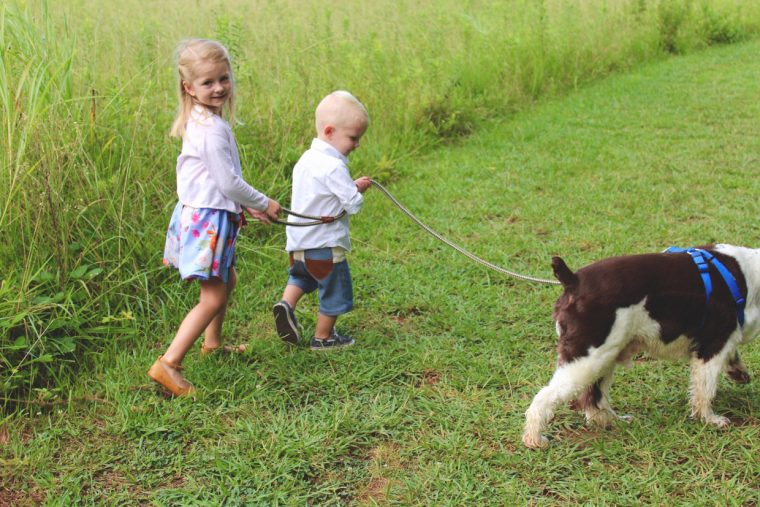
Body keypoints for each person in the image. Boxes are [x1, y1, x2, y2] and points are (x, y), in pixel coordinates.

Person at [148, 39, 281, 396]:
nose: (219, 87)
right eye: (208, 82)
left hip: (209, 213)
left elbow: (217, 180)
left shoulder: (205, 120)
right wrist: (262, 201)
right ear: (188, 87)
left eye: (223, 78)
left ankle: (213, 344)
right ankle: (169, 364)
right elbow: (227, 181)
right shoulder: (210, 129)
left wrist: (244, 205)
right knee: (213, 297)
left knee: (227, 279)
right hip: (208, 220)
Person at [272, 90, 372, 350]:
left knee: (302, 277)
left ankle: (286, 305)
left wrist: (350, 186)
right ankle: (323, 337)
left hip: (298, 245)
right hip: (325, 246)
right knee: (334, 289)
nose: (357, 144)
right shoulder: (334, 166)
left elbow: (322, 194)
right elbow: (352, 204)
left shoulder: (306, 160)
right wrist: (356, 192)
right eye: (353, 138)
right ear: (329, 131)